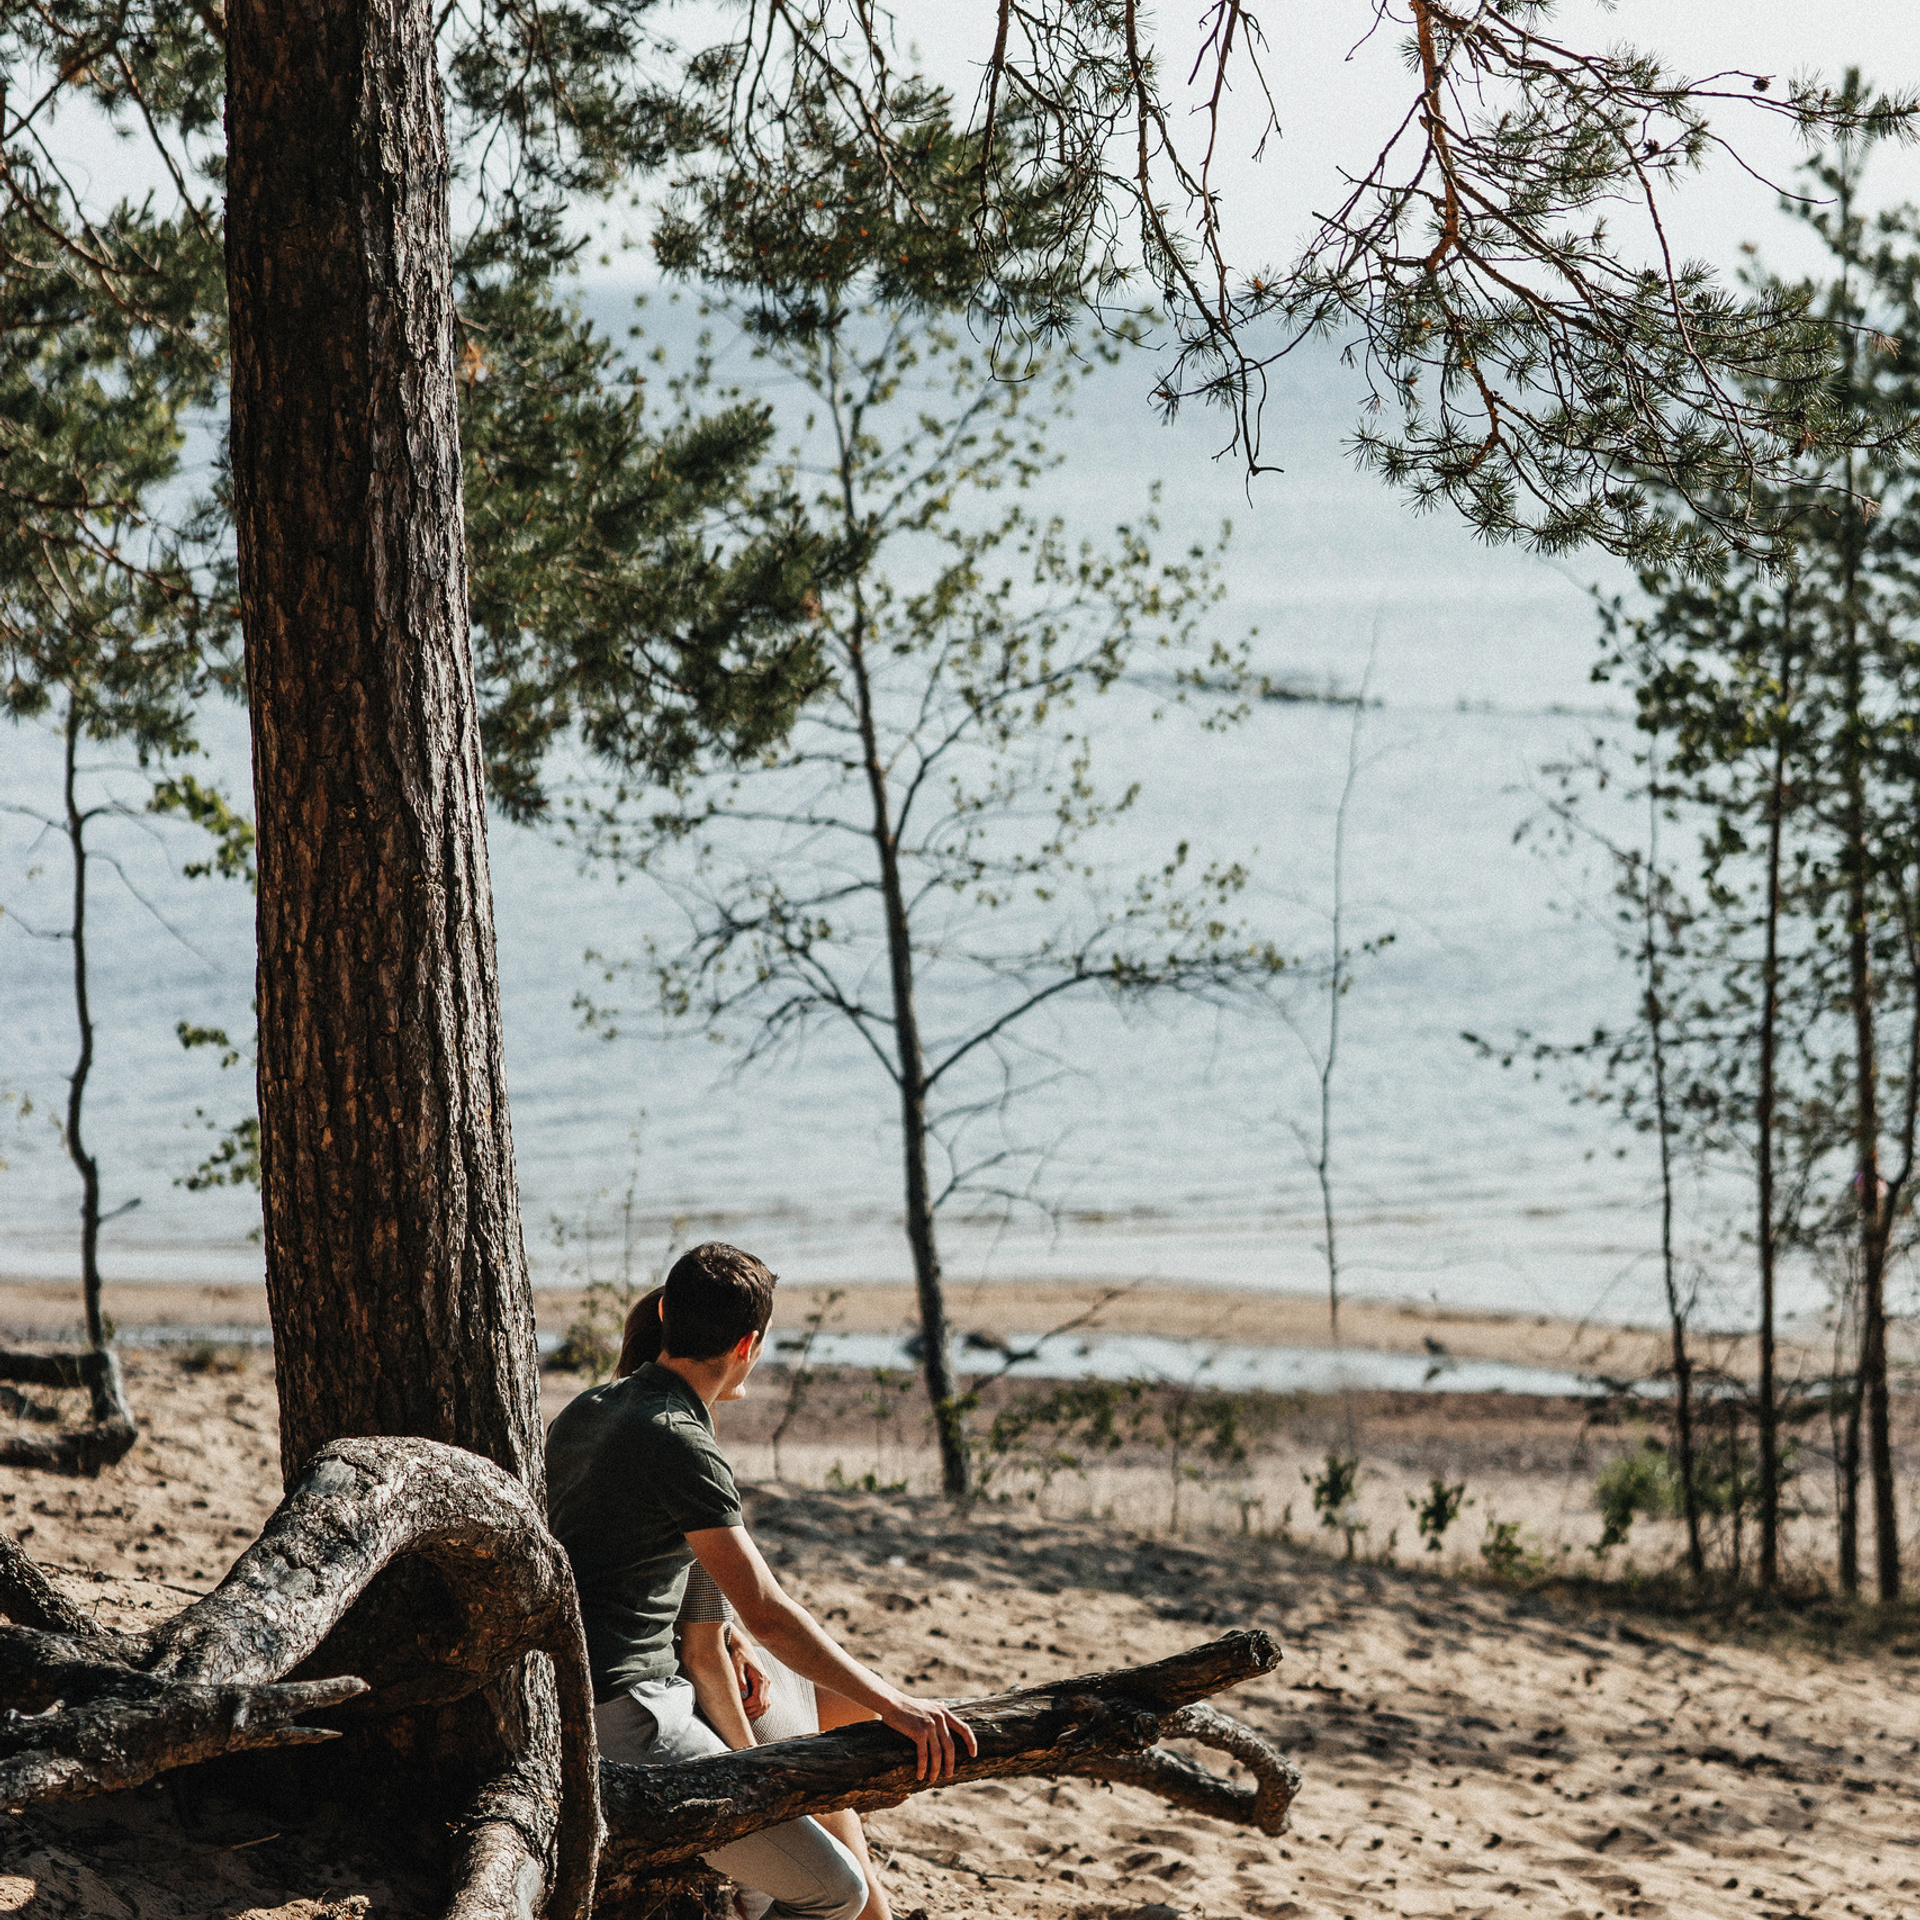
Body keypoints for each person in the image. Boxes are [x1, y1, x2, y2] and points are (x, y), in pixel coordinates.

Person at [546, 1243, 974, 1920]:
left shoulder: (592, 1407)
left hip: (600, 1690)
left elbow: (643, 1573)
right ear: (751, 1342)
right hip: (632, 1717)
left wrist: (751, 1647)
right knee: (837, 1891)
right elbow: (768, 1610)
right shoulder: (679, 1439)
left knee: (842, 1708)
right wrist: (897, 1704)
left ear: (665, 1311)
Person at [613, 1286, 892, 1920]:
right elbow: (705, 1645)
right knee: (815, 1754)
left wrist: (736, 1641)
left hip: (693, 1665)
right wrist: (754, 1776)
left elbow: (687, 1600)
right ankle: (870, 1911)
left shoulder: (609, 1424)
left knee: (853, 1715)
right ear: (742, 1348)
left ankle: (869, 1897)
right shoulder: (685, 1455)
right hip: (681, 1685)